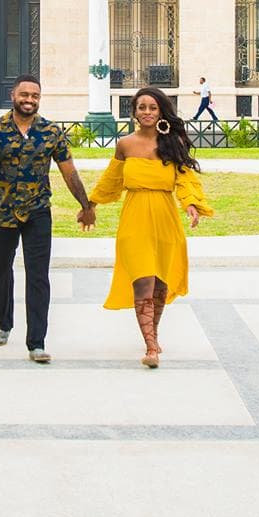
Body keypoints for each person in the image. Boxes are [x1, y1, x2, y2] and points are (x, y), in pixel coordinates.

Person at [0, 76, 95, 363]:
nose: (29, 99)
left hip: (38, 210)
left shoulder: (51, 132)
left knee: (38, 276)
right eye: (24, 94)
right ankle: (3, 322)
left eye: (35, 96)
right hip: (1, 212)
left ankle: (36, 342)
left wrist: (86, 205)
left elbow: (69, 171)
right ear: (13, 95)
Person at [93, 87, 212, 368]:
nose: (146, 112)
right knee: (142, 280)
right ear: (134, 111)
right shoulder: (125, 145)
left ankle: (153, 334)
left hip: (165, 217)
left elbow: (185, 180)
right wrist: (91, 204)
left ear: (161, 112)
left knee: (160, 284)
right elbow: (112, 180)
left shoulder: (173, 143)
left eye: (152, 107)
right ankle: (150, 346)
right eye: (141, 107)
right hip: (134, 219)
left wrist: (191, 205)